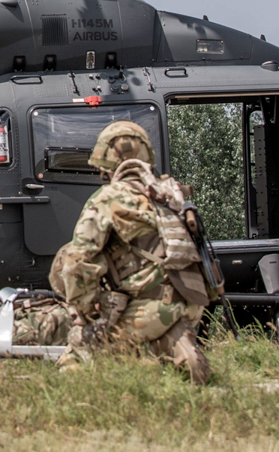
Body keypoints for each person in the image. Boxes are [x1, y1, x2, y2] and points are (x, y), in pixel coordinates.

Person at [48, 119, 213, 384]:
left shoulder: (109, 197)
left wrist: (87, 312)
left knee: (82, 350)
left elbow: (78, 261)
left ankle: (165, 345)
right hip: (193, 301)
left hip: (152, 307)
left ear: (105, 161)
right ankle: (172, 345)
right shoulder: (170, 193)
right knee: (140, 342)